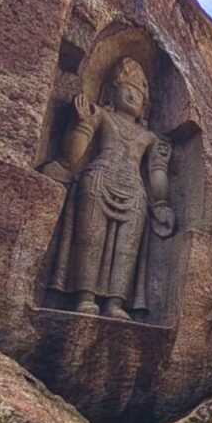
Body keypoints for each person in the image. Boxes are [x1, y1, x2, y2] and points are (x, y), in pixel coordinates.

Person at [46, 57, 174, 318]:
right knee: (90, 239)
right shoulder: (100, 115)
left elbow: (156, 173)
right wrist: (82, 122)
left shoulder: (149, 137)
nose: (133, 95)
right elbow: (72, 155)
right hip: (98, 180)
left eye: (139, 93)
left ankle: (116, 303)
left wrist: (161, 203)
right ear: (110, 91)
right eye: (127, 88)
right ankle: (85, 296)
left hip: (135, 193)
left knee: (127, 249)